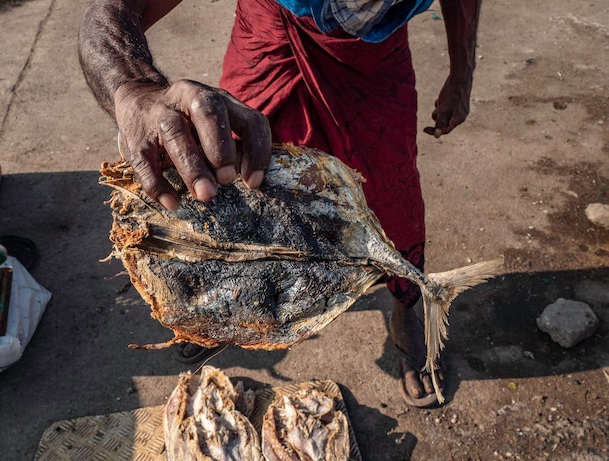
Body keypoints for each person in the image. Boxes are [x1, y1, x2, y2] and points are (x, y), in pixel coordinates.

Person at [79, 0, 481, 408]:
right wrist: (135, 88)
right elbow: (111, 10)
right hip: (270, 30)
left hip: (373, 54)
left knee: (392, 195)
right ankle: (216, 315)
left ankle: (406, 308)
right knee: (235, 178)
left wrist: (463, 73)